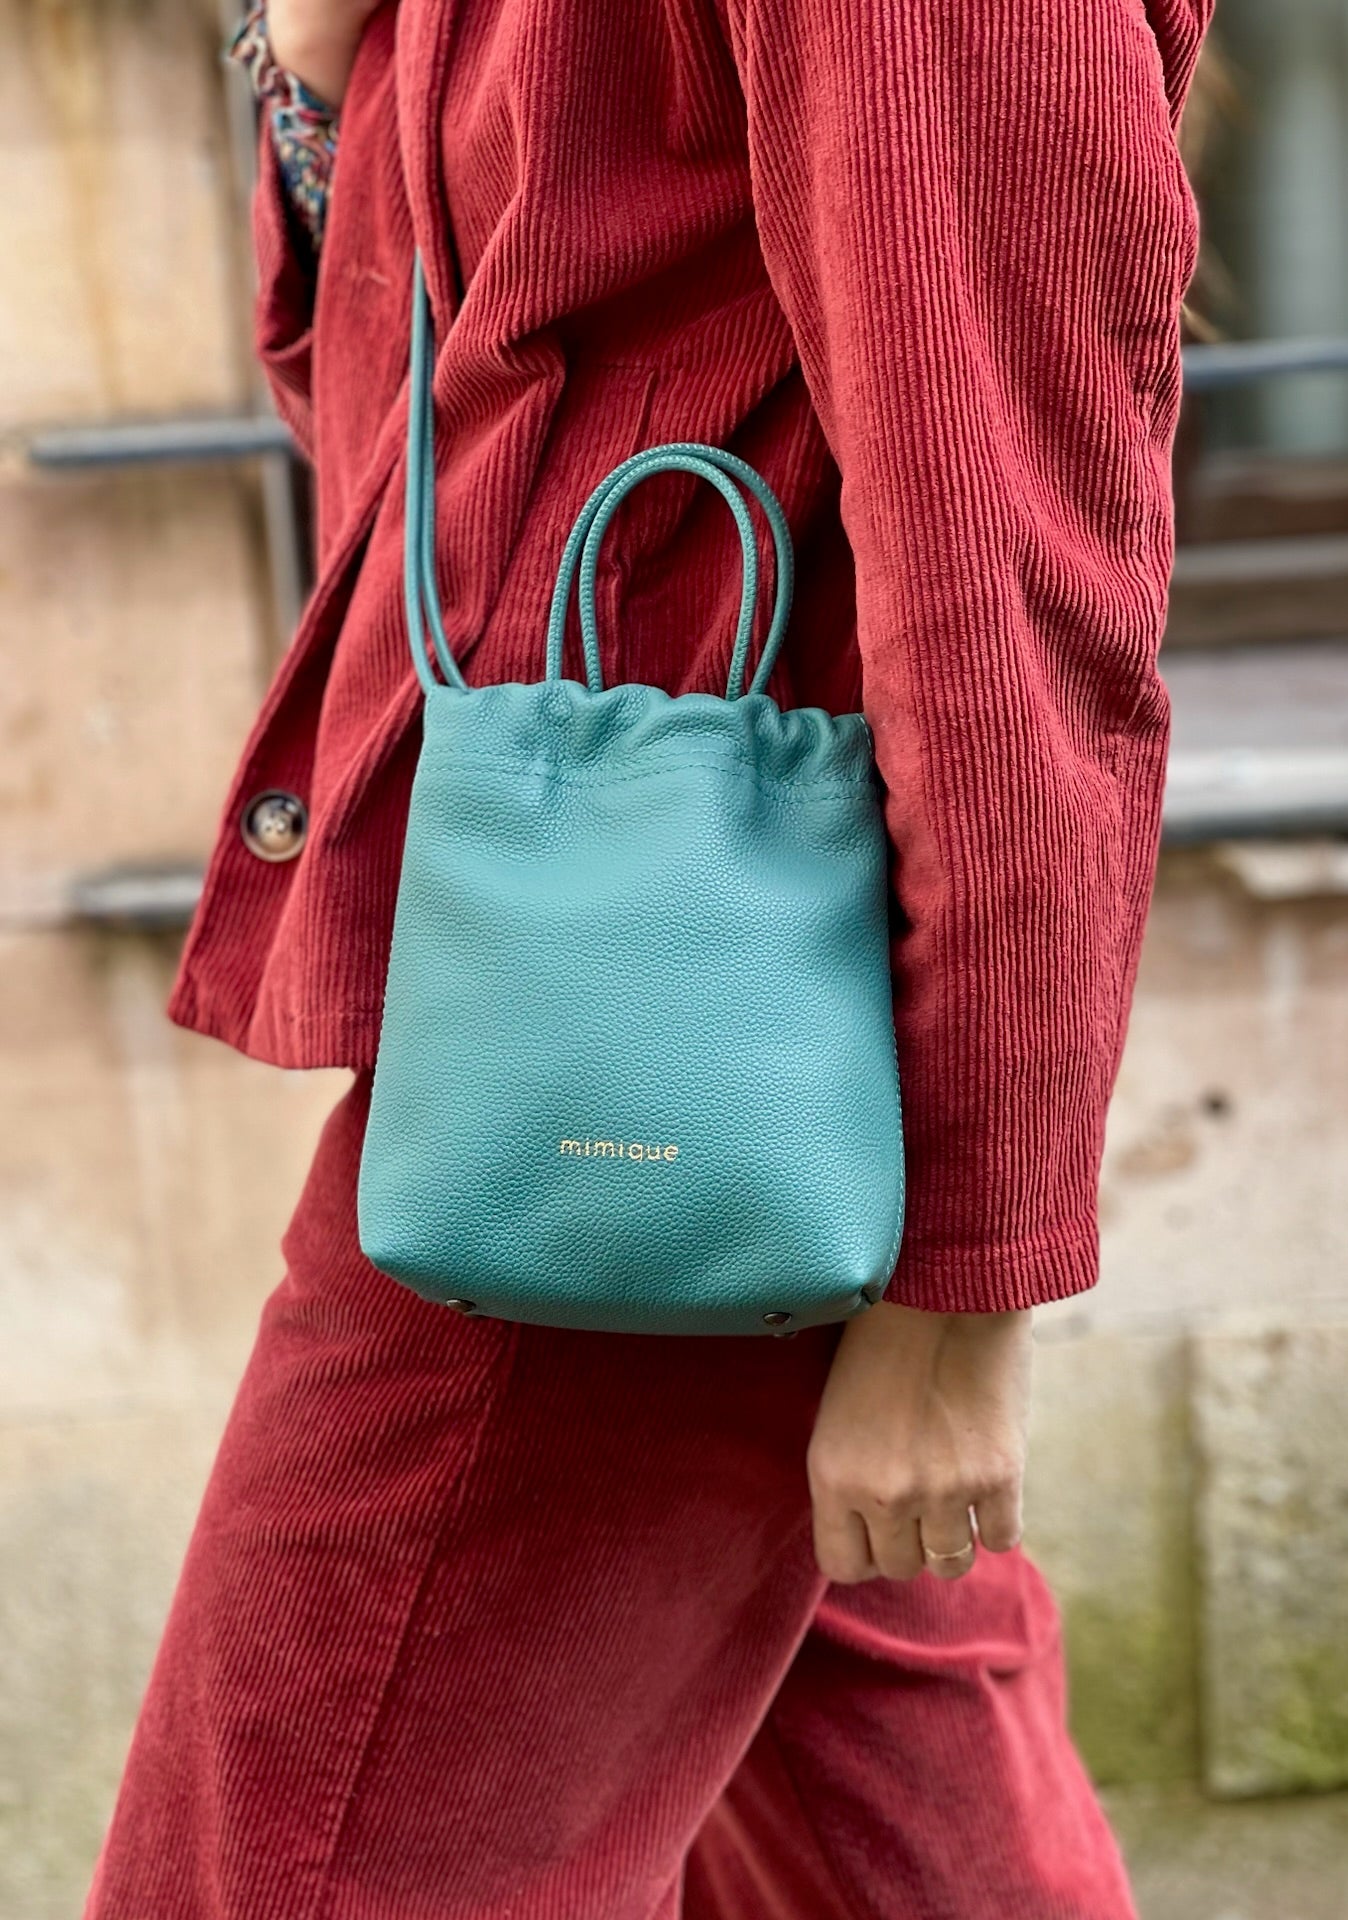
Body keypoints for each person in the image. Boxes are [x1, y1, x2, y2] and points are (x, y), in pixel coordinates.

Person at [85, 1, 1211, 1913]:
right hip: (594, 1002)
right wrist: (310, 50)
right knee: (912, 1853)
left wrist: (962, 1290)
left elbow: (1015, 584)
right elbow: (424, 435)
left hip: (661, 1085)